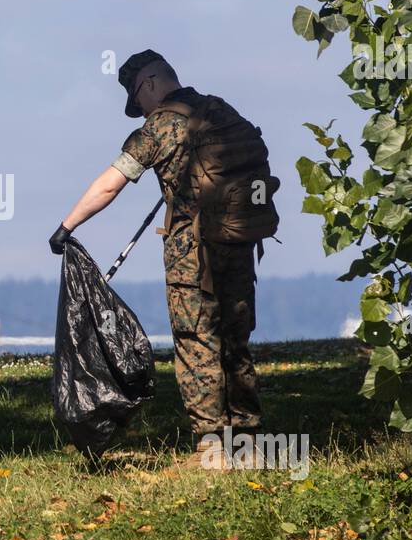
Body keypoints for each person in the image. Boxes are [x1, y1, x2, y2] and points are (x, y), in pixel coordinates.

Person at [49, 51, 274, 468]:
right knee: (235, 341)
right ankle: (247, 444)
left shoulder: (159, 127)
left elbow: (109, 185)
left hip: (192, 251)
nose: (141, 110)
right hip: (240, 242)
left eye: (138, 98)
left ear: (150, 83)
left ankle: (212, 448)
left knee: (196, 341)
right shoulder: (221, 111)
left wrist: (67, 226)